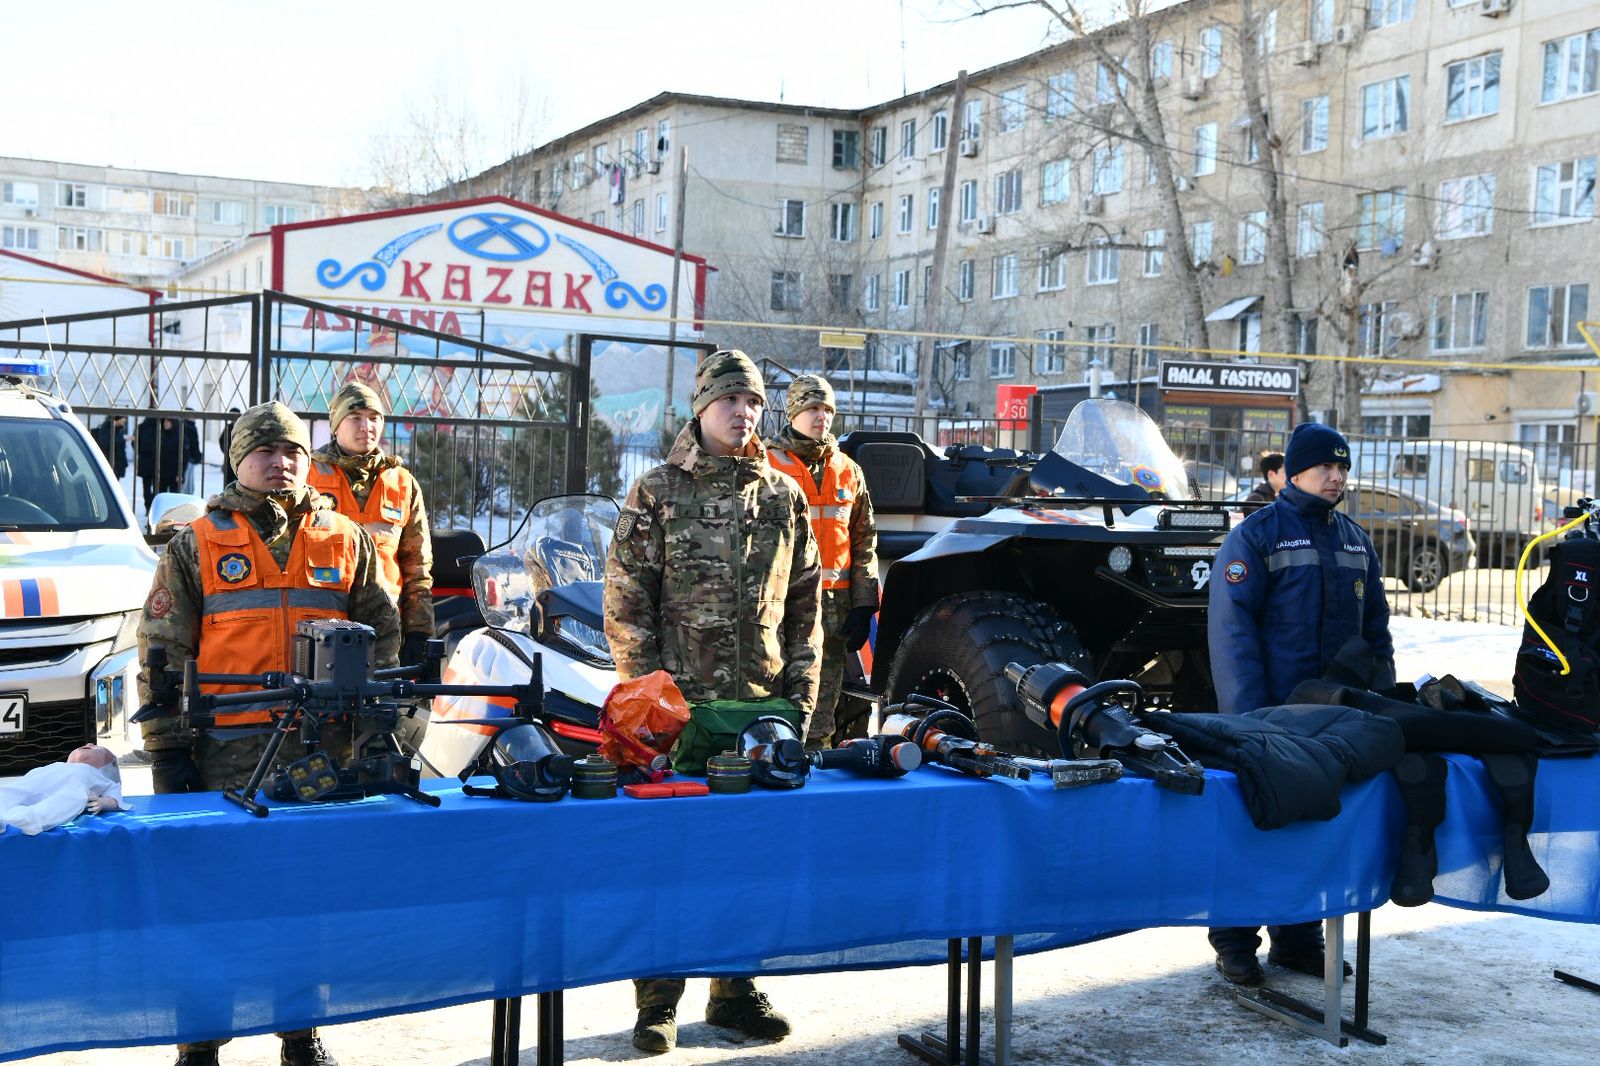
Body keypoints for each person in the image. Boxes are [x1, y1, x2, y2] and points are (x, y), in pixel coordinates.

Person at [137, 401, 400, 1066]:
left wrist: (376, 723)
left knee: (305, 900)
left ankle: (300, 1035)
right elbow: (163, 651)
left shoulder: (347, 537)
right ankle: (200, 1044)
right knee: (213, 902)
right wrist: (167, 752)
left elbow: (382, 635)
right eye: (264, 451)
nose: (279, 462)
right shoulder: (197, 543)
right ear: (238, 461)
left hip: (320, 751)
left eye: (291, 451)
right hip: (226, 755)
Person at [604, 349, 821, 1054]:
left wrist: (800, 702)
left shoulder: (783, 496)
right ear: (701, 408)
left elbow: (805, 609)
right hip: (681, 716)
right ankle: (657, 1001)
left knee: (750, 857)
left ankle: (735, 990)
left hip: (759, 715)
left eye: (754, 401)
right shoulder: (657, 492)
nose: (744, 412)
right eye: (730, 399)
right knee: (669, 858)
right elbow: (626, 604)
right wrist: (653, 705)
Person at [1206, 421, 1394, 986]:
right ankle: (1235, 940)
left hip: (1335, 717)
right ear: (1294, 471)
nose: (1337, 477)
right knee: (1253, 825)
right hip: (1268, 717)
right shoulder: (1256, 536)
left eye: (1343, 467)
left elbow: (1376, 633)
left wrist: (1381, 703)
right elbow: (1232, 634)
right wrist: (1248, 719)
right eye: (1325, 467)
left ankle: (1298, 939)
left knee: (1318, 827)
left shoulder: (1355, 540)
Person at [766, 373, 878, 747]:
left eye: (827, 409)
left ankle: (817, 766)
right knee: (773, 698)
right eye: (813, 407)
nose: (822, 416)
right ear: (793, 412)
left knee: (821, 711)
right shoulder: (764, 465)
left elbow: (864, 539)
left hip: (834, 610)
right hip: (780, 605)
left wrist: (864, 604)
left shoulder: (849, 469)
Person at [307, 382, 434, 667]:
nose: (367, 427)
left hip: (385, 629)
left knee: (384, 697)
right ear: (336, 425)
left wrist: (419, 630)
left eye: (374, 418)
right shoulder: (307, 477)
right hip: (322, 627)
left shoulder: (402, 482)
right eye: (355, 417)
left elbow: (417, 565)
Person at [0, 743, 128, 836]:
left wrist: (103, 803)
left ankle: (25, 819)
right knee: (16, 791)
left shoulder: (100, 777)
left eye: (95, 747)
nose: (89, 744)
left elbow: (115, 799)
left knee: (69, 801)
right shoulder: (57, 766)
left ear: (106, 767)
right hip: (43, 776)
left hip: (75, 784)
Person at [135, 416, 201, 511]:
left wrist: (180, 473)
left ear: (173, 423)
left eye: (168, 422)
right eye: (165, 422)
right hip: (161, 474)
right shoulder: (160, 435)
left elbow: (184, 457)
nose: (166, 424)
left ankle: (173, 517)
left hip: (174, 474)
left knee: (174, 499)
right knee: (160, 498)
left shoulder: (180, 436)